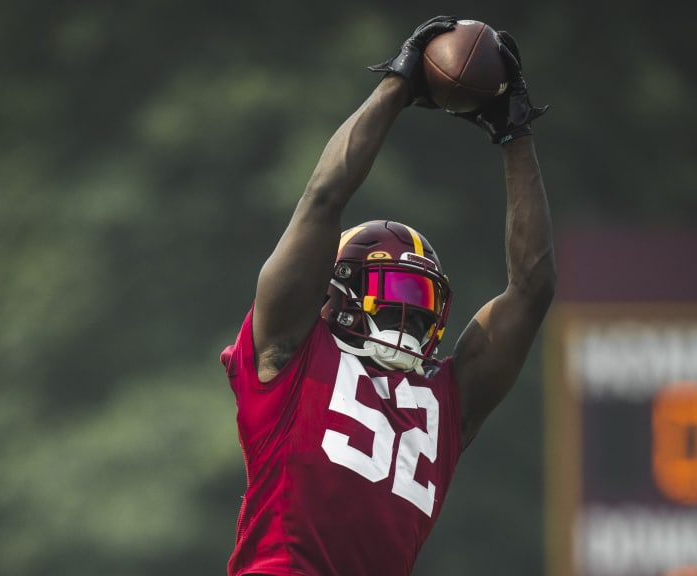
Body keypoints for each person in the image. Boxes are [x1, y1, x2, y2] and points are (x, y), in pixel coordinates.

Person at [219, 15, 556, 576]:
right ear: (339, 288)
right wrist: (398, 84)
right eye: (396, 288)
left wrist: (515, 133)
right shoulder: (287, 353)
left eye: (424, 296)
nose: (412, 310)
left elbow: (532, 288)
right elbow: (323, 199)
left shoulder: (445, 401)